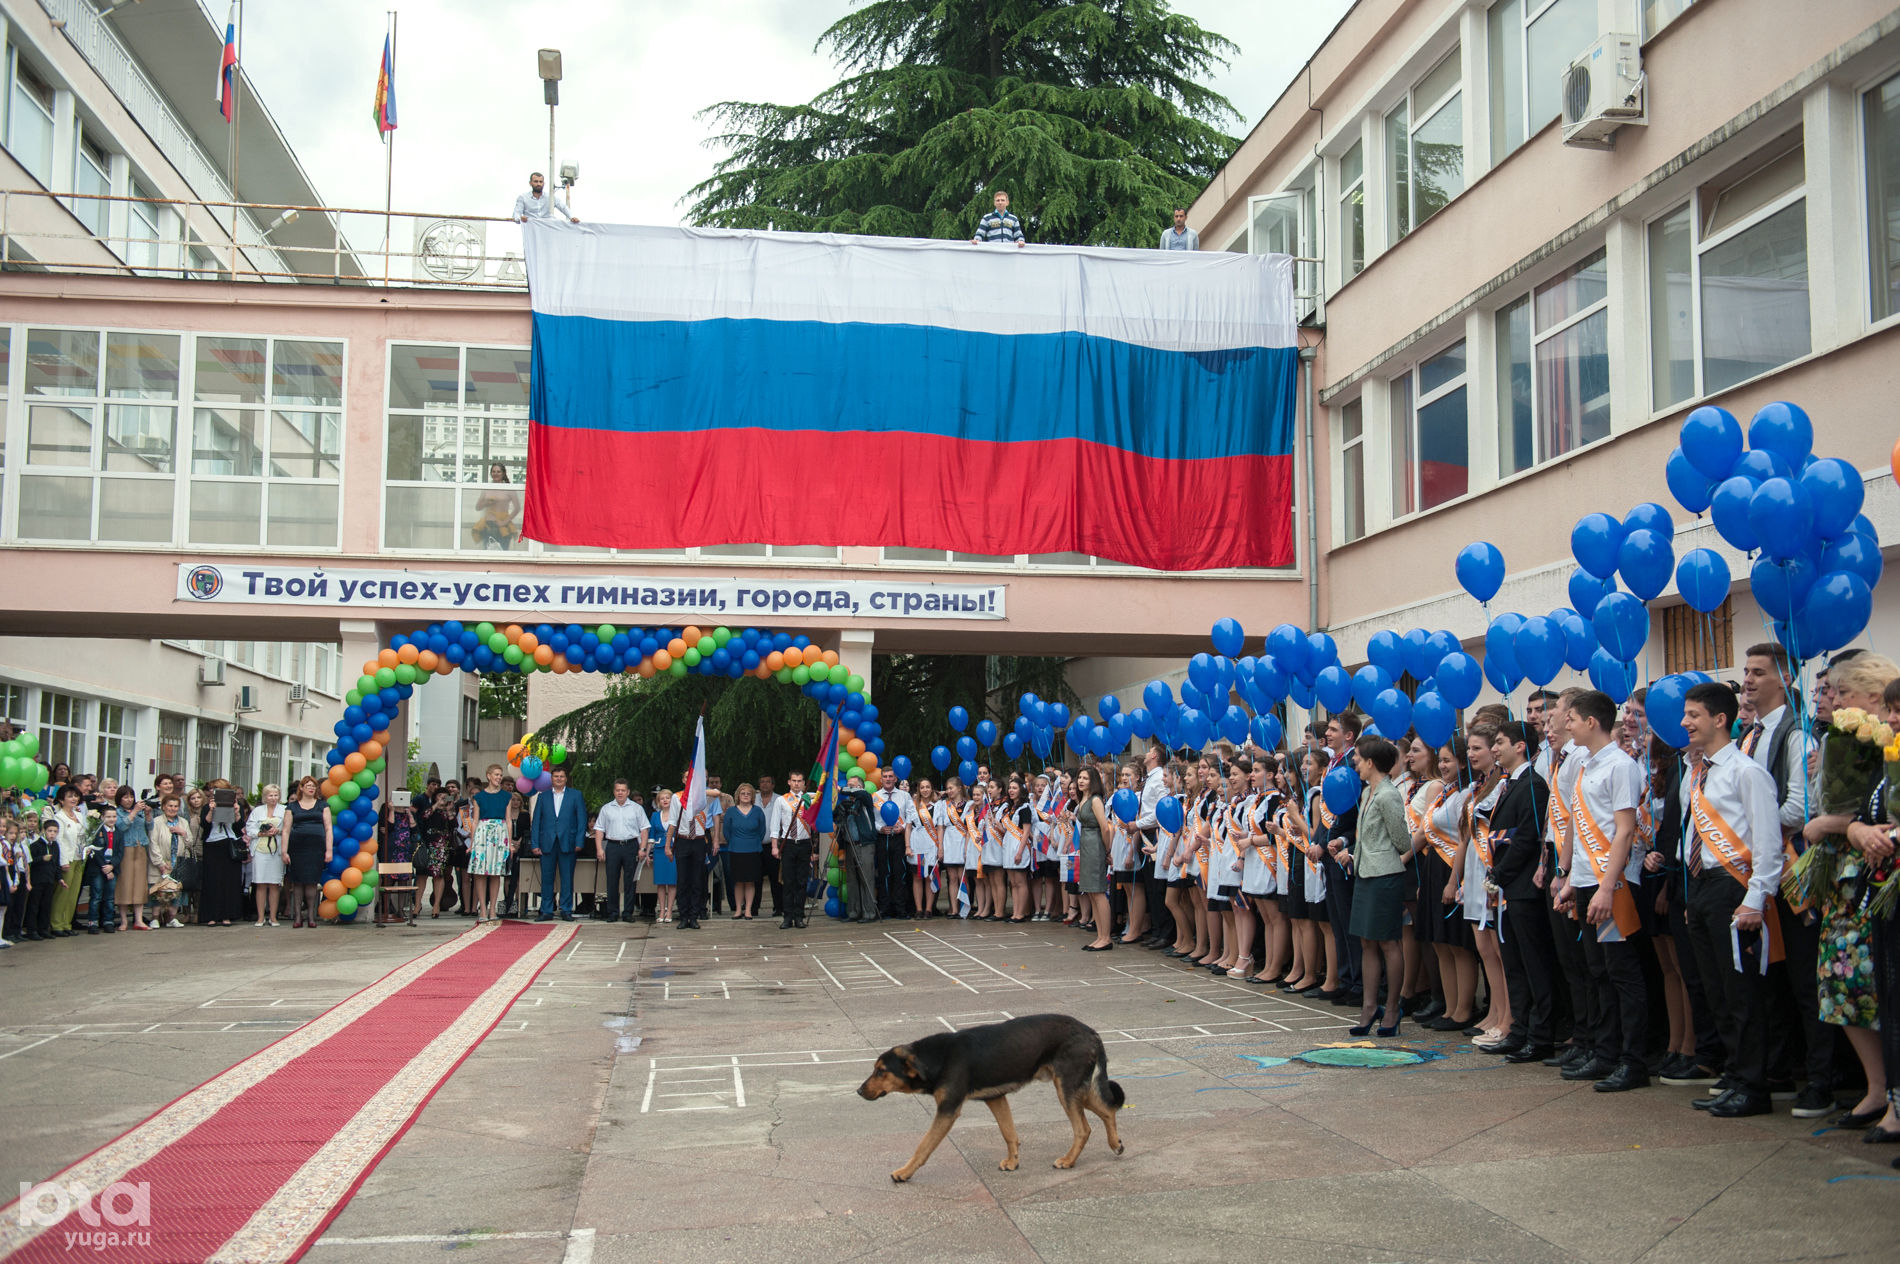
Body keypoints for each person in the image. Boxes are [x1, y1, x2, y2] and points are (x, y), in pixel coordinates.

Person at [1799, 652, 1899, 1129]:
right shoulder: (1843, 741)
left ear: (1873, 696)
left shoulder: (1888, 744)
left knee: (1877, 985)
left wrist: (1834, 824)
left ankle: (1891, 1094)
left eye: (1841, 692)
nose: (1831, 700)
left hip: (1877, 875)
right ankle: (1877, 1087)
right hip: (1846, 878)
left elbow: (1875, 813)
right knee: (1840, 984)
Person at [1676, 681, 1784, 1118]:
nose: (1684, 723)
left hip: (1733, 888)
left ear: (1720, 719)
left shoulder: (1746, 771)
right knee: (1714, 989)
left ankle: (1754, 1085)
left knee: (1741, 992)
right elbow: (1691, 834)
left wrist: (1755, 898)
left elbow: (1767, 843)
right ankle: (1734, 1074)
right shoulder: (1697, 771)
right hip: (1701, 887)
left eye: (1693, 715)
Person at [1557, 689, 1651, 1092]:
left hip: (1610, 885)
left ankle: (1633, 1060)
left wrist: (1606, 888)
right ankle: (1605, 1052)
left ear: (1591, 722)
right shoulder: (1586, 765)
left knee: (1621, 973)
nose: (1566, 725)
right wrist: (1568, 881)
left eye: (1572, 719)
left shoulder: (1620, 765)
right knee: (1597, 971)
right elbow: (1578, 826)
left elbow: (1625, 830)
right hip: (1584, 880)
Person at [1487, 721, 1558, 1062]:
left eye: (1500, 742)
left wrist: (1499, 873)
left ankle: (1541, 1034)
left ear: (1519, 746)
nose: (1494, 748)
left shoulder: (1533, 784)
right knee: (1514, 965)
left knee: (1535, 965)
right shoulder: (1509, 784)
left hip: (1524, 887)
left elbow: (1527, 837)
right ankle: (1520, 1029)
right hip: (1508, 887)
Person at [530, 767, 586, 922]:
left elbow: (582, 820)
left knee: (567, 878)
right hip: (547, 842)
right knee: (547, 878)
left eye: (562, 776)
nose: (559, 779)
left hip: (568, 842)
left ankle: (566, 910)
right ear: (551, 779)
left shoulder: (576, 795)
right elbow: (536, 822)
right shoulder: (543, 796)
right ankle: (547, 910)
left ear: (566, 778)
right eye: (556, 776)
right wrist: (535, 843)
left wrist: (579, 841)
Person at [594, 778, 650, 924]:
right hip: (612, 846)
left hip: (631, 845)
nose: (620, 793)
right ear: (614, 791)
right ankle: (612, 912)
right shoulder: (606, 808)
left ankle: (627, 913)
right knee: (612, 880)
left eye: (623, 790)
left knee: (630, 881)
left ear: (628, 792)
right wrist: (599, 848)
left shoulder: (636, 808)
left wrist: (642, 848)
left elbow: (644, 829)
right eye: (617, 790)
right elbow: (599, 829)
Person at [198, 780, 246, 927]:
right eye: (212, 789)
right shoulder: (207, 807)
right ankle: (212, 915)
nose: (214, 791)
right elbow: (204, 826)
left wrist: (237, 812)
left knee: (229, 881)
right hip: (213, 845)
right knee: (212, 881)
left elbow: (240, 828)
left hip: (229, 844)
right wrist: (212, 810)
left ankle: (227, 915)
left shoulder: (236, 806)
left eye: (218, 789)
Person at [770, 773, 814, 929]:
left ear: (803, 783)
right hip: (788, 844)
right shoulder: (781, 800)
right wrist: (775, 846)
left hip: (804, 843)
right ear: (789, 782)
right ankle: (787, 916)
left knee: (801, 881)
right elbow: (775, 825)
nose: (796, 784)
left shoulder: (809, 799)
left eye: (799, 781)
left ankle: (799, 916)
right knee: (788, 881)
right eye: (794, 781)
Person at [110, 785, 154, 932]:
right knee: (125, 883)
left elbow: (149, 826)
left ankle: (139, 919)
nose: (129, 800)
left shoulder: (140, 812)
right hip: (126, 848)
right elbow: (121, 826)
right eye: (125, 797)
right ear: (119, 799)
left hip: (140, 847)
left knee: (140, 884)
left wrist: (148, 814)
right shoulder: (117, 812)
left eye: (131, 796)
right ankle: (123, 920)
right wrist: (134, 811)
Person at [46, 785, 88, 936]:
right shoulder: (59, 817)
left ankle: (67, 923)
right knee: (63, 892)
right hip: (67, 859)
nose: (74, 799)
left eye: (76, 796)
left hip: (79, 858)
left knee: (74, 893)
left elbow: (83, 836)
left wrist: (86, 849)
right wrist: (63, 861)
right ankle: (57, 924)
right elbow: (60, 841)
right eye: (70, 796)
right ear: (62, 799)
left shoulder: (80, 816)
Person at [723, 784, 769, 920]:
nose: (745, 795)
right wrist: (735, 842)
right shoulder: (731, 811)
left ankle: (748, 910)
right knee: (738, 881)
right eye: (743, 793)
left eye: (748, 793)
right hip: (736, 850)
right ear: (738, 795)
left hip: (753, 850)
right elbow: (726, 831)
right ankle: (738, 909)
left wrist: (753, 841)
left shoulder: (758, 811)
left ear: (752, 796)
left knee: (750, 881)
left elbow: (762, 831)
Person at [837, 779, 880, 923]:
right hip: (849, 845)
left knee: (866, 878)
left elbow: (861, 794)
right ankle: (853, 912)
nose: (848, 788)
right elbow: (836, 818)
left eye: (851, 786)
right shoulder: (847, 802)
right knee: (852, 880)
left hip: (864, 844)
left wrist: (841, 789)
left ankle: (869, 912)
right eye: (848, 785)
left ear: (860, 787)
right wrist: (840, 810)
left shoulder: (865, 799)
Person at [872, 768, 912, 919]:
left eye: (891, 776)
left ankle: (900, 908)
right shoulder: (875, 797)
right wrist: (879, 828)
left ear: (896, 779)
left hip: (899, 838)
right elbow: (872, 819)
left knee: (899, 873)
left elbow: (910, 816)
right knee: (884, 874)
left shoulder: (905, 795)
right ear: (881, 779)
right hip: (882, 838)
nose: (888, 779)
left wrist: (903, 828)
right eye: (885, 777)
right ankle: (884, 908)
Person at [245, 784, 287, 927]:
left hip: (276, 850)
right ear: (265, 796)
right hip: (260, 849)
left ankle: (273, 917)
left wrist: (278, 831)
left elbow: (288, 828)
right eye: (270, 795)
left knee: (275, 884)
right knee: (261, 883)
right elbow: (249, 828)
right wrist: (261, 833)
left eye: (276, 795)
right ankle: (260, 917)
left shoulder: (284, 810)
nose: (273, 798)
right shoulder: (257, 811)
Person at [471, 461, 521, 549]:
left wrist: (504, 522)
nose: (495, 474)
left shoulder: (509, 489)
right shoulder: (487, 488)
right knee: (488, 550)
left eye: (498, 472)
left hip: (503, 525)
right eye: (493, 472)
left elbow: (517, 508)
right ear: (491, 473)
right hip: (488, 525)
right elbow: (478, 507)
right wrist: (486, 503)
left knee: (503, 550)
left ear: (503, 473)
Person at [650, 788, 678, 923]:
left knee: (672, 882)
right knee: (660, 882)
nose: (665, 800)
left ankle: (670, 910)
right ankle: (661, 910)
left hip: (673, 850)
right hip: (659, 850)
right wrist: (649, 853)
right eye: (662, 798)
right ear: (658, 802)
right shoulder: (655, 816)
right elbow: (651, 835)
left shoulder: (678, 814)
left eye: (668, 798)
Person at [512, 171, 578, 222]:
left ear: (544, 183)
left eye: (541, 182)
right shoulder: (523, 197)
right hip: (532, 231)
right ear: (530, 183)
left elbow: (563, 207)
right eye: (536, 181)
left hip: (548, 230)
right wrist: (520, 218)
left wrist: (571, 217)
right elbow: (516, 215)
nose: (538, 184)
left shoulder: (550, 197)